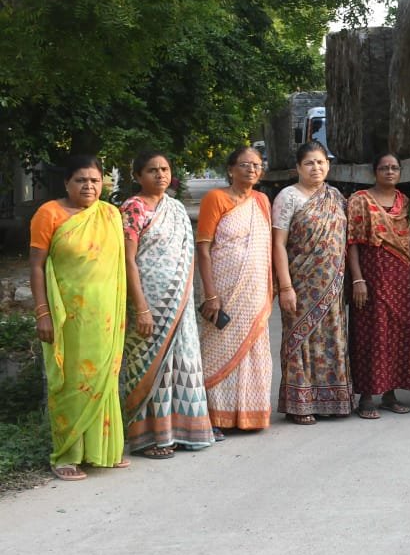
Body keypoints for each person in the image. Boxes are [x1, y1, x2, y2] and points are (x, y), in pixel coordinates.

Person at [30, 156, 129, 481]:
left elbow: (119, 267)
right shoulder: (49, 214)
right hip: (67, 318)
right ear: (66, 183)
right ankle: (66, 455)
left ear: (103, 184)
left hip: (105, 317)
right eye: (81, 180)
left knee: (105, 380)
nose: (89, 186)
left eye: (95, 181)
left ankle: (103, 451)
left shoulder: (110, 214)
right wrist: (42, 312)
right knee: (71, 381)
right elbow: (36, 267)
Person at [119, 151, 215, 457]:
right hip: (148, 303)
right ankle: (150, 438)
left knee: (181, 363)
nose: (160, 175)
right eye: (151, 170)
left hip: (179, 302)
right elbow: (128, 260)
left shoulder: (174, 208)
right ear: (137, 176)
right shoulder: (132, 208)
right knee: (149, 365)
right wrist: (142, 307)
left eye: (164, 169)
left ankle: (183, 430)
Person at [271, 141, 351, 423]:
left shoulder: (337, 197)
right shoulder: (288, 197)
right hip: (301, 283)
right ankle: (300, 404)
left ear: (327, 165)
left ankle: (333, 400)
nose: (315, 168)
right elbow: (278, 244)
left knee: (332, 338)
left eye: (320, 162)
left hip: (333, 286)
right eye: (309, 163)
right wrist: (285, 286)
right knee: (300, 341)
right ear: (298, 168)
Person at [197, 146, 274, 436]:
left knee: (253, 350)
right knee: (217, 348)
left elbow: (265, 247)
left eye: (257, 165)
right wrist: (211, 295)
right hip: (224, 289)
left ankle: (249, 415)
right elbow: (203, 248)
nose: (252, 170)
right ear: (231, 169)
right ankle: (214, 416)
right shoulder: (216, 199)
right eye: (245, 164)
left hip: (254, 292)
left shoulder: (262, 201)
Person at [346, 152, 410, 419]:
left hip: (400, 278)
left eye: (394, 168)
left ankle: (390, 394)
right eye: (384, 168)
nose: (389, 172)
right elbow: (352, 242)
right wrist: (358, 279)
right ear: (374, 171)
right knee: (371, 335)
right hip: (371, 278)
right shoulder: (360, 201)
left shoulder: (405, 202)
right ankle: (366, 397)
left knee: (398, 334)